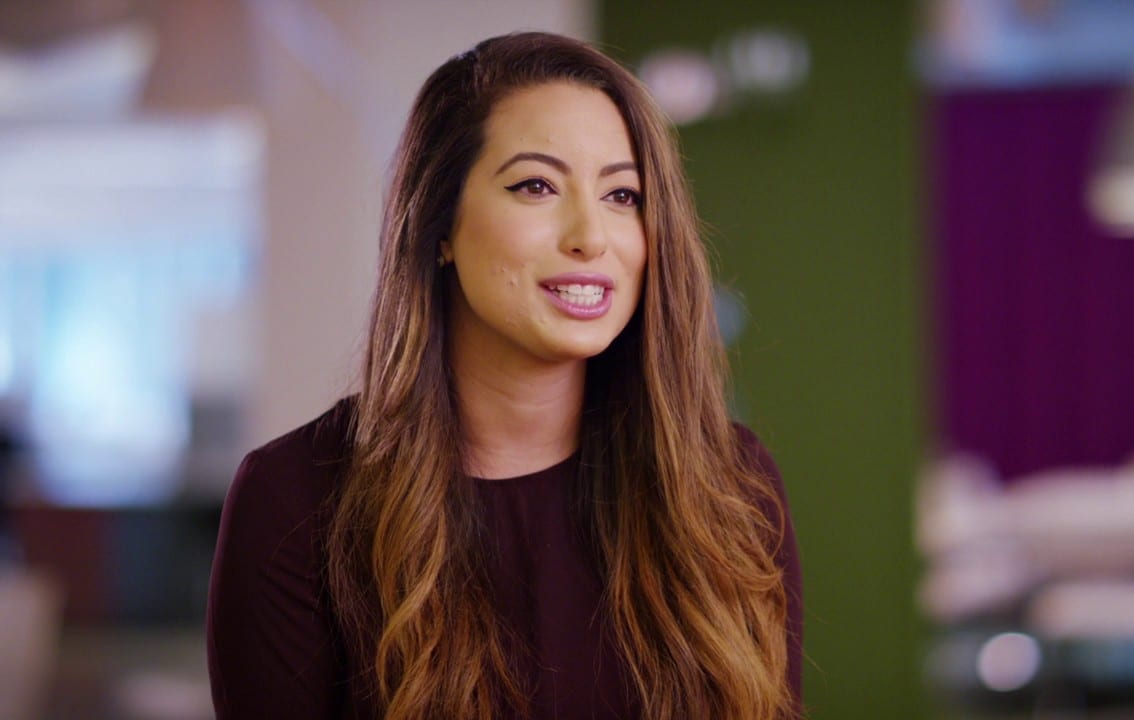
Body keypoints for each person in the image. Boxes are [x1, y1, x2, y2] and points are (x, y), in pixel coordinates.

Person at [206, 31, 802, 720]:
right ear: (440, 226)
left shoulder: (732, 487)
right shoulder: (293, 502)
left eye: (623, 195)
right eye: (537, 186)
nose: (591, 236)